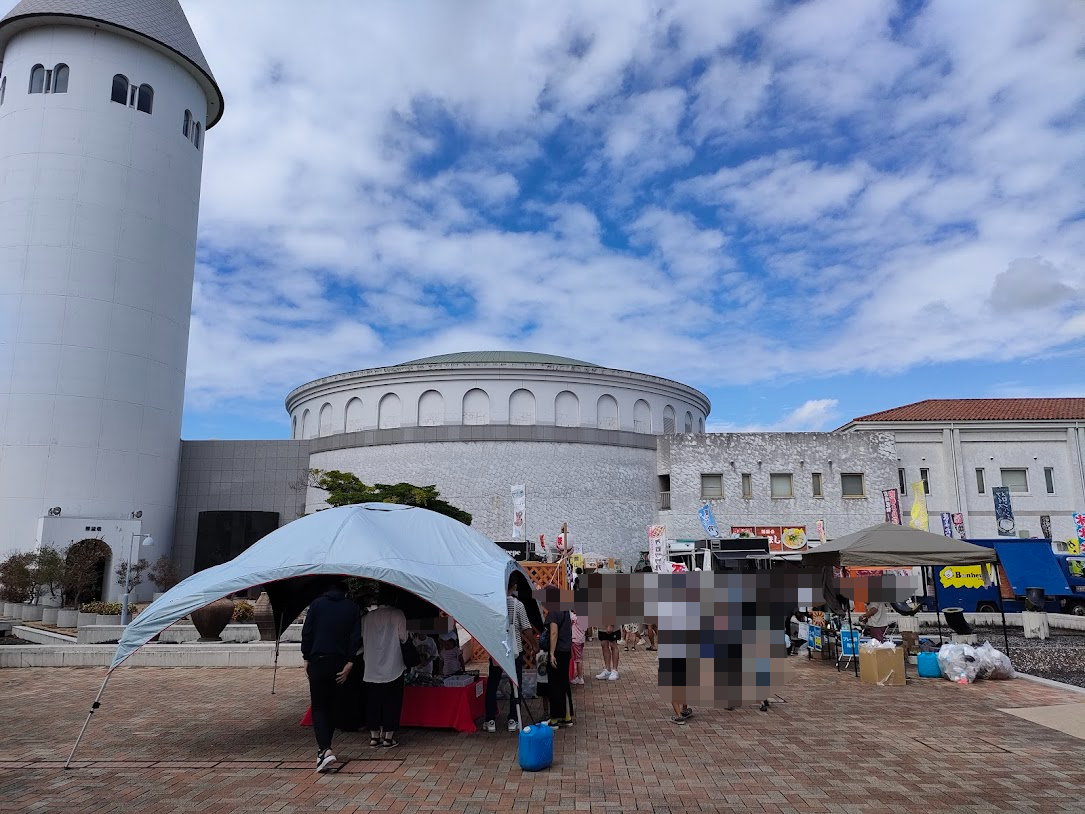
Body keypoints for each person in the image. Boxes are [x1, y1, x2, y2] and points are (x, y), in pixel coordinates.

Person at [301, 581, 362, 772]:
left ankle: (324, 750)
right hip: (340, 663)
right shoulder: (352, 608)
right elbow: (355, 637)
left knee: (319, 706)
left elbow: (307, 632)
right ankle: (325, 749)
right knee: (333, 706)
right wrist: (351, 662)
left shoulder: (317, 605)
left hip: (318, 661)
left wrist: (306, 656)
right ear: (346, 591)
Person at [484, 578, 534, 733]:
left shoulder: (492, 604)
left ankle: (490, 720)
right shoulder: (518, 605)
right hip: (514, 649)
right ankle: (513, 719)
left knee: (493, 684)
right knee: (515, 684)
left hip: (497, 649)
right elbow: (526, 628)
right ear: (515, 587)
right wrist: (534, 644)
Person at [361, 589, 408, 749]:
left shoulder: (367, 618)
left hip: (371, 665)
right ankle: (388, 737)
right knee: (392, 702)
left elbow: (362, 637)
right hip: (393, 664)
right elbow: (404, 637)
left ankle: (374, 736)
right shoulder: (397, 614)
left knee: (373, 702)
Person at [545, 599, 574, 727]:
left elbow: (553, 632)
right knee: (564, 684)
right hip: (566, 650)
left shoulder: (553, 612)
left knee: (554, 685)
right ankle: (567, 716)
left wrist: (551, 653)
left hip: (557, 651)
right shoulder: (565, 610)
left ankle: (555, 719)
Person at [571, 610, 586, 684]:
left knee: (577, 659)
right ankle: (579, 676)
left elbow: (570, 617)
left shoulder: (575, 618)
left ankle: (579, 677)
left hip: (575, 639)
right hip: (581, 639)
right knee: (579, 657)